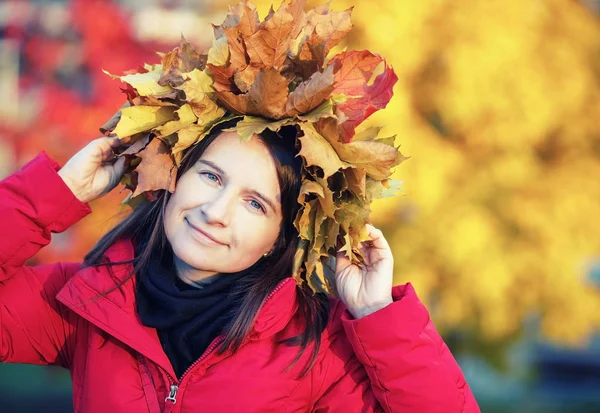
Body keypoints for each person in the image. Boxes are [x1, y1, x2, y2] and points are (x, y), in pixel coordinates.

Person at [0, 1, 481, 412]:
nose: (215, 211)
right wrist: (57, 193)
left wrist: (377, 314)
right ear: (174, 172)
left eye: (255, 203)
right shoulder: (88, 303)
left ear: (282, 235)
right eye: (210, 175)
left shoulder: (315, 349)